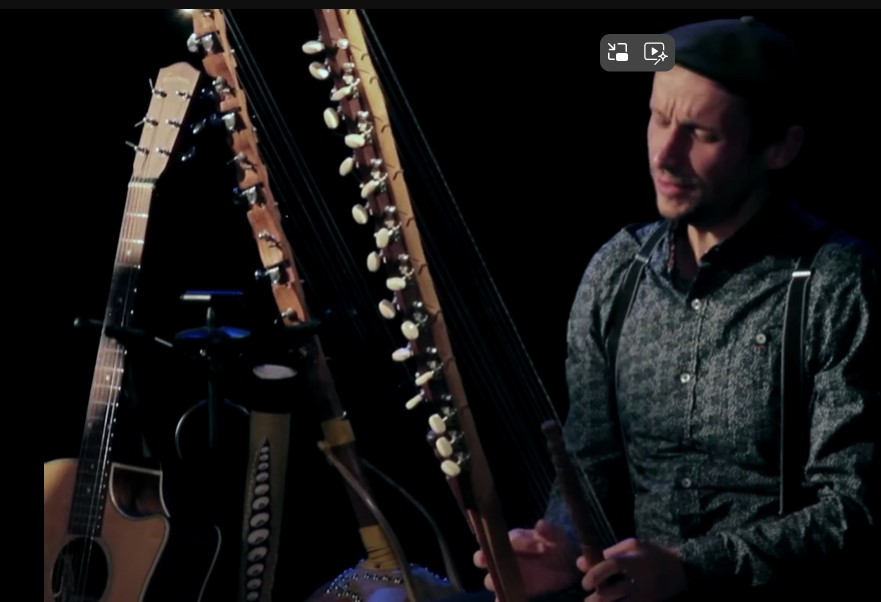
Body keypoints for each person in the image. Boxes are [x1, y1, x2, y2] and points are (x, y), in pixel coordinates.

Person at [460, 16, 879, 602]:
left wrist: (689, 568)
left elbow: (856, 510)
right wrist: (562, 547)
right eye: (659, 119)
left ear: (780, 147)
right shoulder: (617, 270)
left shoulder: (837, 284)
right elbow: (591, 464)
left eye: (700, 133)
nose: (665, 154)